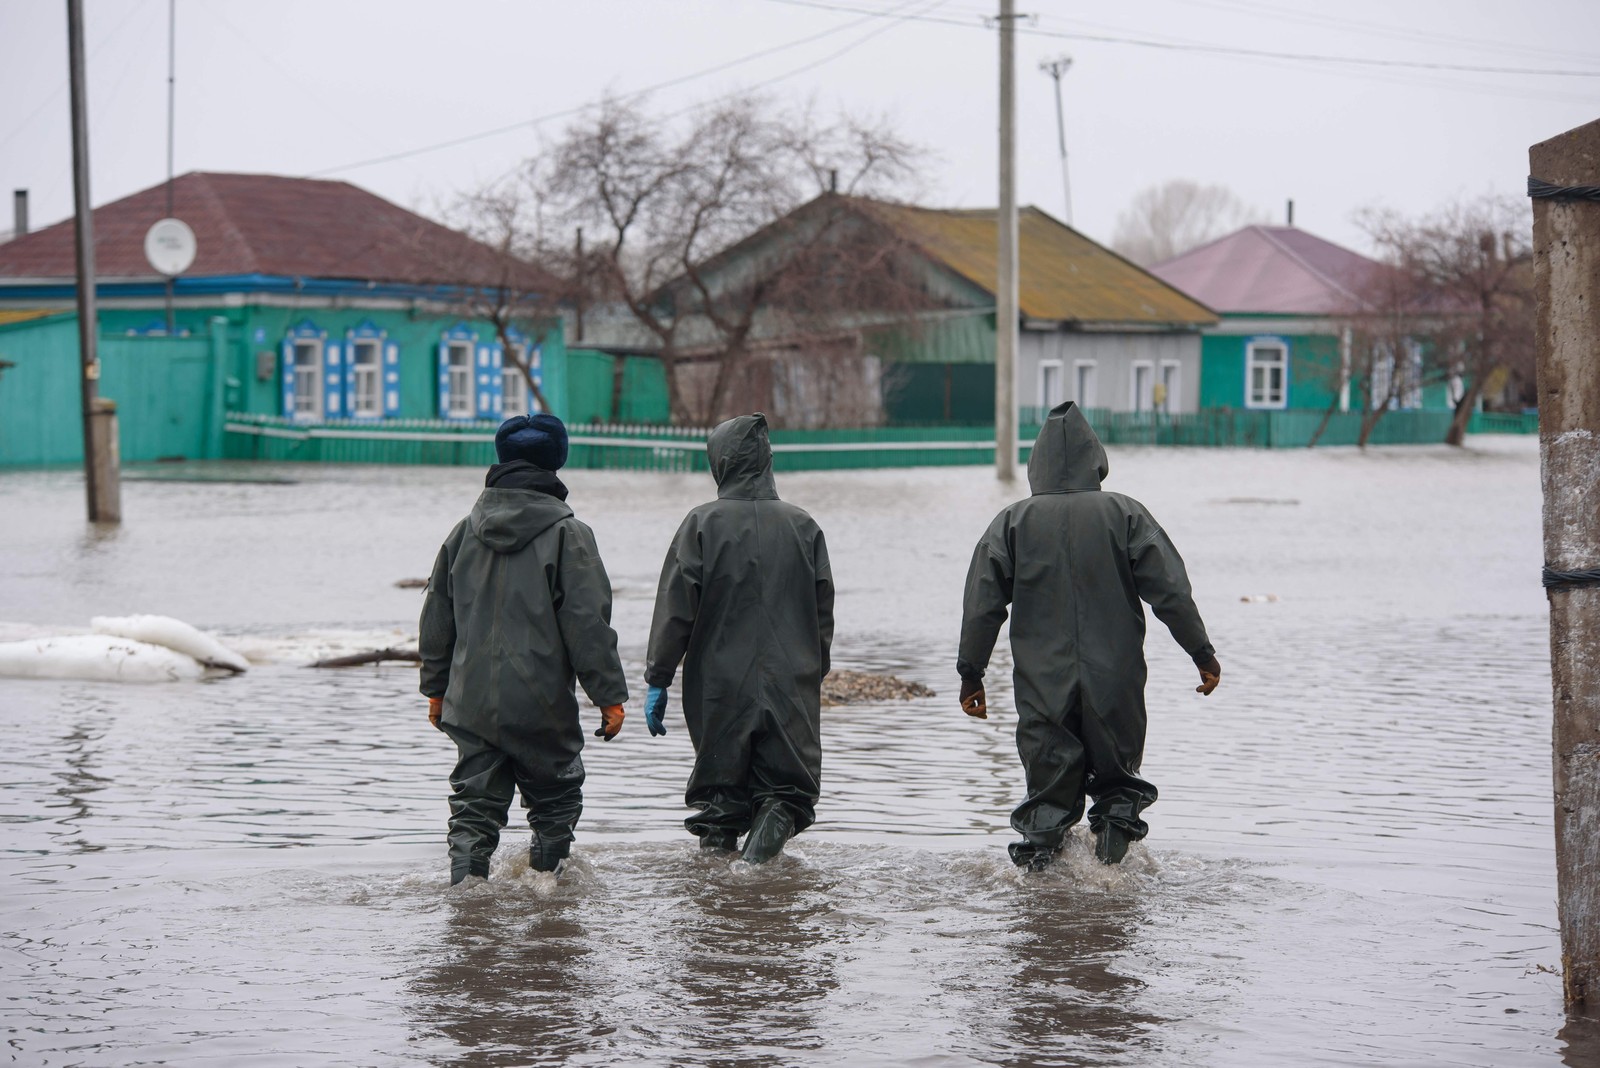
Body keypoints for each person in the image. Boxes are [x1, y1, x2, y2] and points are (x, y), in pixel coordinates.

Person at [957, 401, 1221, 870]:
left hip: (1043, 685)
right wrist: (1201, 653)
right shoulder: (1126, 514)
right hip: (1114, 680)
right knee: (1119, 791)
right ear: (1095, 458)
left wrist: (971, 673)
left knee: (1046, 800)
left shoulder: (1011, 523)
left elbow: (982, 607)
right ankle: (1111, 884)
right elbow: (1172, 593)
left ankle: (1038, 907)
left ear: (1036, 463)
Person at [419, 413, 628, 885]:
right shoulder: (570, 534)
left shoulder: (462, 532)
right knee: (556, 801)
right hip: (542, 703)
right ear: (558, 461)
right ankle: (547, 892)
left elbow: (436, 619)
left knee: (473, 808)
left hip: (470, 700)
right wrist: (609, 696)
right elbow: (587, 625)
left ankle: (467, 907)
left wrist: (436, 689)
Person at [641, 413, 835, 864]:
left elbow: (675, 608)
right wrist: (812, 670)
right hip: (790, 681)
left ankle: (721, 893)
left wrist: (659, 677)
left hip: (718, 685)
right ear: (767, 462)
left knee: (720, 800)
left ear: (720, 463)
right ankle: (751, 877)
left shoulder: (701, 524)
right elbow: (823, 611)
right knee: (786, 793)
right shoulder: (803, 526)